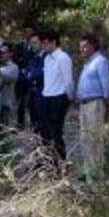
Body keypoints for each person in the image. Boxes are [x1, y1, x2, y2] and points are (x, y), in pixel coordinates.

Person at [75, 34, 109, 177]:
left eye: (84, 46)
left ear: (93, 46)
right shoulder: (87, 63)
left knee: (95, 137)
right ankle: (88, 171)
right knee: (85, 137)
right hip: (84, 104)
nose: (82, 50)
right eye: (80, 47)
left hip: (95, 103)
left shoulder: (100, 61)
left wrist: (107, 104)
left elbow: (107, 84)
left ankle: (98, 171)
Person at [39, 28, 74, 167]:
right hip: (47, 96)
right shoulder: (47, 58)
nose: (44, 46)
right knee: (45, 133)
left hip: (58, 97)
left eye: (46, 43)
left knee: (56, 133)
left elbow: (68, 81)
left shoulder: (63, 57)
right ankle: (49, 163)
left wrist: (69, 98)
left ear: (54, 42)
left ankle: (61, 164)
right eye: (42, 43)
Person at [12, 24, 39, 128]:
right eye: (26, 31)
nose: (28, 34)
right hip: (21, 77)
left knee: (32, 101)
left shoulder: (35, 46)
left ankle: (34, 124)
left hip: (32, 77)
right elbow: (15, 59)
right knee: (20, 101)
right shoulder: (19, 46)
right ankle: (20, 123)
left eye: (30, 32)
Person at [0, 43, 19, 128]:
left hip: (5, 103)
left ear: (10, 53)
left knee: (4, 131)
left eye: (3, 52)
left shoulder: (14, 67)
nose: (1, 55)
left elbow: (6, 76)